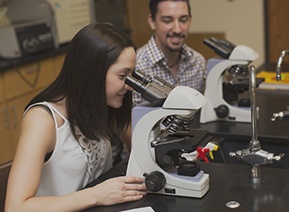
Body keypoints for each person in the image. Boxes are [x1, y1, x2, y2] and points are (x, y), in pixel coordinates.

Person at [5, 22, 147, 211]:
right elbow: (16, 207)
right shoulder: (42, 120)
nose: (129, 85)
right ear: (93, 74)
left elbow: (140, 152)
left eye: (131, 75)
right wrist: (96, 195)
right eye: (122, 76)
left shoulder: (105, 104)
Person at [133, 0, 207, 105]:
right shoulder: (137, 67)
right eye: (167, 21)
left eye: (183, 20)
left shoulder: (198, 63)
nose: (177, 29)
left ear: (190, 20)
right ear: (152, 21)